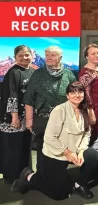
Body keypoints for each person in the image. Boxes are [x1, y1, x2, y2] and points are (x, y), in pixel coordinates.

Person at [18, 82, 98, 200]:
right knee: (61, 194)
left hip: (74, 151)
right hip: (56, 154)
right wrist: (67, 153)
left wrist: (81, 151)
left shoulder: (84, 110)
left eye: (80, 92)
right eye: (72, 92)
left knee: (93, 155)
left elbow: (87, 134)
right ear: (67, 96)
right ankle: (30, 176)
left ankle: (80, 184)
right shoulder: (59, 110)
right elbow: (50, 137)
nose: (77, 95)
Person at [24, 45, 77, 169]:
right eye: (47, 55)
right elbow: (29, 98)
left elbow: (76, 96)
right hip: (43, 119)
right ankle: (41, 177)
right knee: (43, 149)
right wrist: (29, 119)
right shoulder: (38, 74)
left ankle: (58, 176)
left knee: (62, 149)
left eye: (52, 55)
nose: (48, 58)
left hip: (64, 119)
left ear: (60, 57)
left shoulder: (69, 74)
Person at [0, 45, 34, 191]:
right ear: (15, 57)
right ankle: (11, 176)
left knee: (23, 146)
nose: (24, 58)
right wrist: (14, 117)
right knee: (12, 147)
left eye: (27, 55)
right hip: (12, 118)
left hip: (26, 116)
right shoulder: (13, 73)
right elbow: (11, 95)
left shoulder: (32, 71)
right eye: (21, 55)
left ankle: (23, 173)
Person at [79, 44, 98, 146]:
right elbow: (86, 94)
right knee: (93, 136)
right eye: (93, 54)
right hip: (94, 109)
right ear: (87, 57)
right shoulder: (85, 73)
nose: (97, 55)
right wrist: (90, 112)